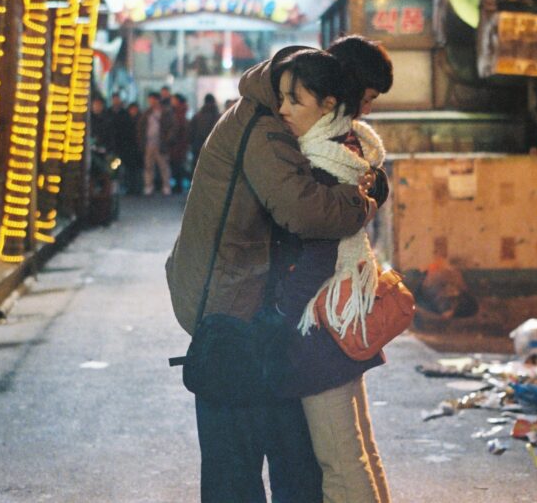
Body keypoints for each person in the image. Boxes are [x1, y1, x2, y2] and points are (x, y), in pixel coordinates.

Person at [167, 45, 378, 503]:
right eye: (289, 97)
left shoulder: (259, 114)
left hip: (240, 308)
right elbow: (302, 210)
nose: (287, 108)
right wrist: (362, 199)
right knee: (249, 469)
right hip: (232, 317)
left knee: (276, 462)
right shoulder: (265, 130)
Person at [269, 50, 391, 503]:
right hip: (342, 317)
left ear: (327, 104)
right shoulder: (351, 150)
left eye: (294, 100)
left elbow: (318, 255)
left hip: (320, 326)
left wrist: (282, 312)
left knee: (340, 463)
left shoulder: (322, 165)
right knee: (358, 452)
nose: (282, 110)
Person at [138, 92, 176, 195]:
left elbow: (172, 127)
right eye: (150, 100)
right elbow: (141, 128)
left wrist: (168, 139)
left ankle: (166, 186)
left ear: (158, 100)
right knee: (148, 166)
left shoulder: (166, 112)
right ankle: (149, 186)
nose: (151, 102)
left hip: (161, 143)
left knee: (163, 166)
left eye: (153, 99)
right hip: (148, 144)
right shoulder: (147, 113)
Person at [189, 93, 221, 169]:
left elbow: (190, 132)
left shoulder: (197, 116)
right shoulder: (218, 117)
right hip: (213, 149)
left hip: (197, 147)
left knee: (196, 168)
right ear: (214, 102)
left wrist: (192, 144)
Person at [169, 93, 190, 193]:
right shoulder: (179, 112)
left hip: (179, 144)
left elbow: (178, 128)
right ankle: (178, 185)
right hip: (179, 144)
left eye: (173, 100)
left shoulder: (179, 113)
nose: (172, 102)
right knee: (177, 164)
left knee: (178, 165)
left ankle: (178, 186)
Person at [122, 102, 143, 195]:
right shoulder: (125, 120)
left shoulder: (141, 120)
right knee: (129, 170)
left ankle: (138, 187)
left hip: (138, 148)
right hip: (128, 148)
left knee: (137, 170)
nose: (133, 111)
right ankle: (130, 187)